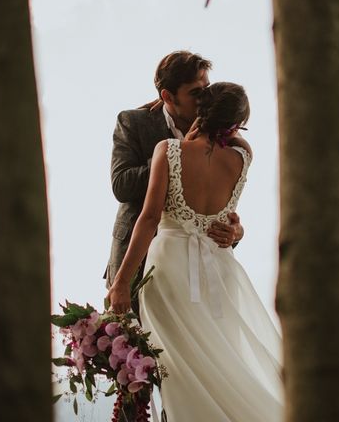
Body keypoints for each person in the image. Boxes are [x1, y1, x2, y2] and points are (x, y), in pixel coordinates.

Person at [107, 82, 283, 422]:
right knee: (223, 360)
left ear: (200, 110)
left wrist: (121, 282)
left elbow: (149, 219)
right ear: (237, 124)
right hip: (220, 269)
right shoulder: (242, 155)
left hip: (170, 268)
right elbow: (228, 217)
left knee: (177, 367)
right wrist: (236, 229)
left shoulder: (168, 150)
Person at [104, 51, 245, 308]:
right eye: (195, 93)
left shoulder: (221, 136)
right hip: (138, 262)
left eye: (206, 89)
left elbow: (221, 204)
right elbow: (122, 185)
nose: (204, 98)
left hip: (201, 270)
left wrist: (236, 232)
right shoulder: (133, 122)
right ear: (167, 96)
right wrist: (178, 153)